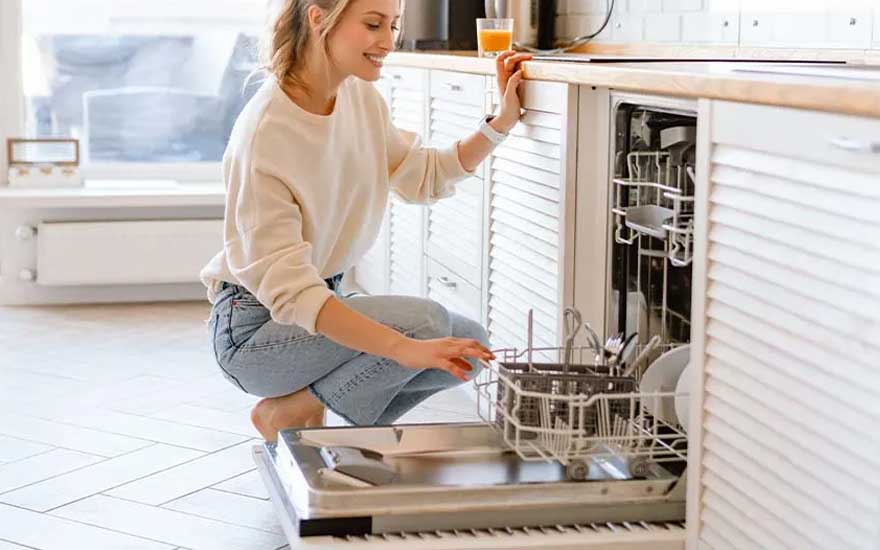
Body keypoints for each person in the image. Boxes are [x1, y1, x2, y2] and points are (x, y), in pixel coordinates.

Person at [200, 0, 532, 441]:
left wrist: (501, 123)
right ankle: (290, 414)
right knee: (426, 325)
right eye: (373, 24)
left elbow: (423, 175)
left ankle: (313, 412)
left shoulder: (359, 98)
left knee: (470, 348)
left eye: (394, 25)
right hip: (255, 330)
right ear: (319, 19)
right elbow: (295, 295)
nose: (388, 41)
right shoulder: (267, 132)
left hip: (319, 300)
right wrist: (403, 349)